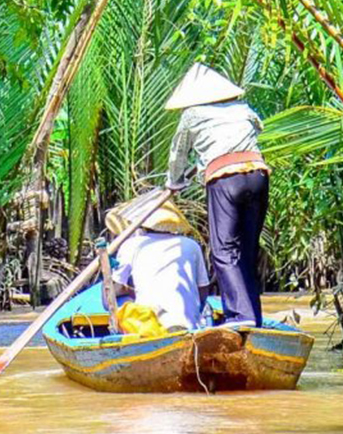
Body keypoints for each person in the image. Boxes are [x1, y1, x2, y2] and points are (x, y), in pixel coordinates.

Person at [164, 63, 269, 326]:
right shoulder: (242, 108)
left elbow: (178, 154)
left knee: (224, 252)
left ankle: (239, 316)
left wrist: (174, 182)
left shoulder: (191, 114)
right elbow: (257, 129)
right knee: (247, 249)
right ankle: (253, 317)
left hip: (225, 179)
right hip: (258, 175)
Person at [104, 196, 211, 330]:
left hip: (152, 327)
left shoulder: (132, 245)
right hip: (189, 324)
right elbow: (203, 290)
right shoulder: (191, 245)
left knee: (122, 302)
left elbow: (108, 297)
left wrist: (107, 271)